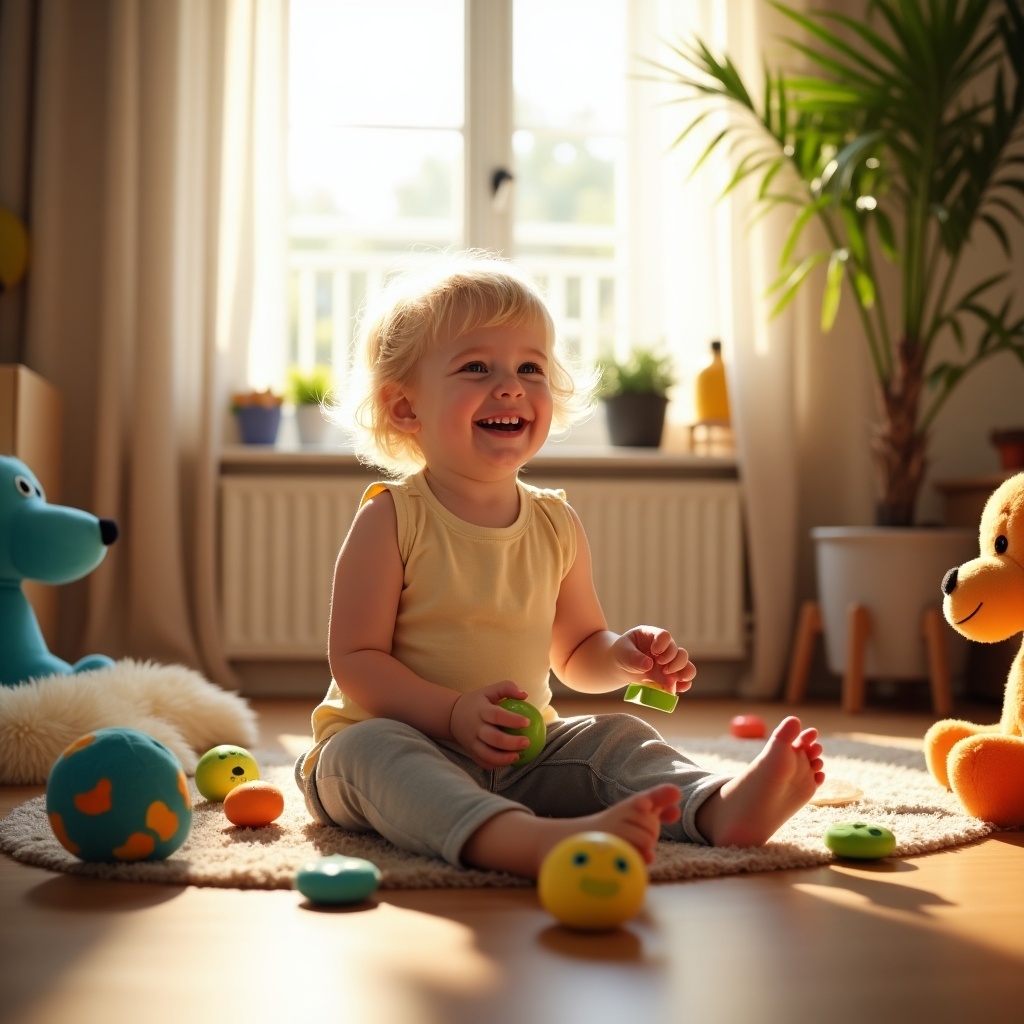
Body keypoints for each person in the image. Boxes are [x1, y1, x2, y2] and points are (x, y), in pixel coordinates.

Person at [295, 252, 824, 878]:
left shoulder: (555, 524)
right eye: (475, 367)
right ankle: (516, 840)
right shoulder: (391, 520)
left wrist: (623, 654)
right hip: (395, 743)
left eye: (529, 367)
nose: (511, 385)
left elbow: (576, 653)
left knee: (615, 737)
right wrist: (453, 715)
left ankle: (714, 808)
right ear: (406, 408)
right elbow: (356, 662)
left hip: (520, 755)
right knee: (370, 751)